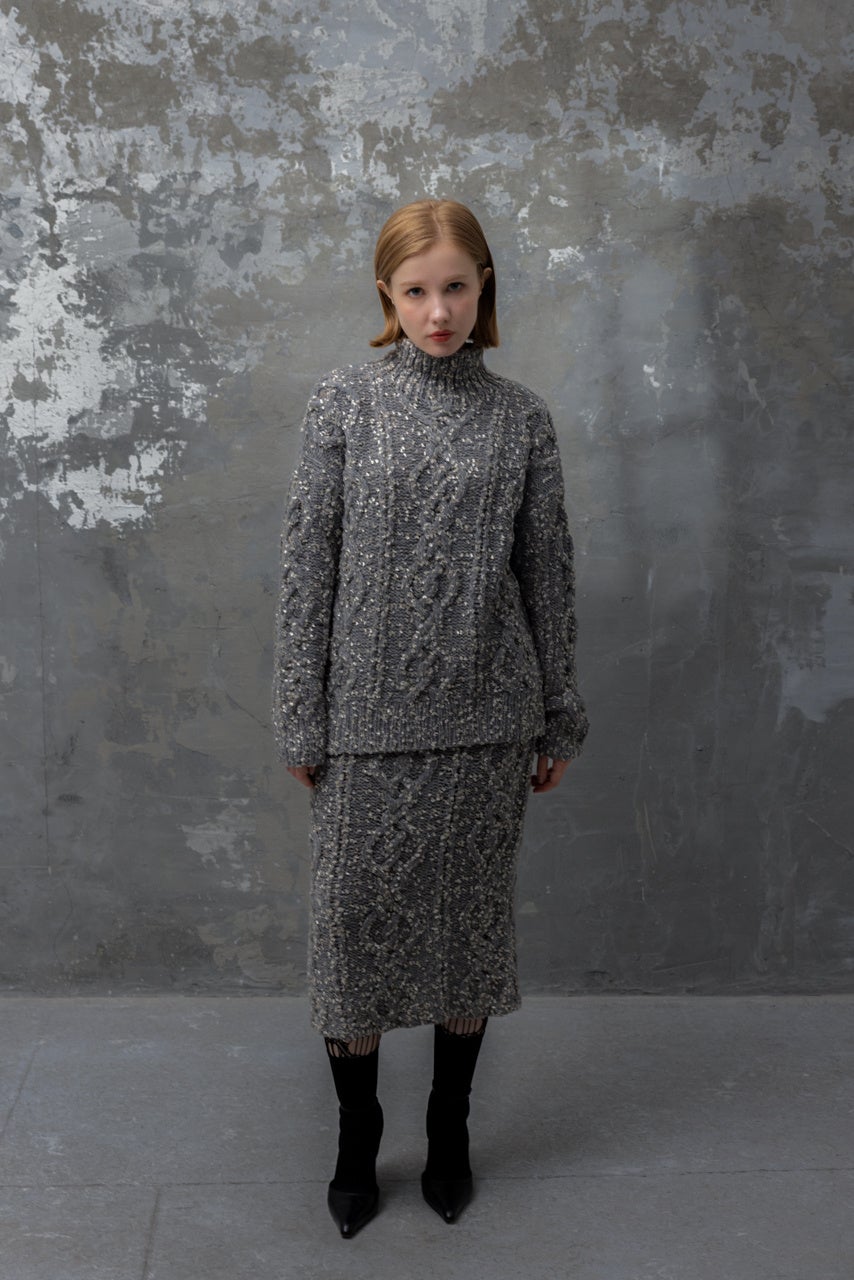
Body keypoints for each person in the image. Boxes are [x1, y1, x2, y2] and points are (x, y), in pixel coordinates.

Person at [272, 198, 588, 1238]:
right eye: (415, 290)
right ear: (386, 294)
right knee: (351, 944)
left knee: (466, 938)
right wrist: (300, 712)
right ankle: (356, 1135)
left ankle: (449, 1129)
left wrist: (558, 713)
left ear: (483, 286)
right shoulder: (343, 402)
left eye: (455, 286)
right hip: (364, 723)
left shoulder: (520, 417)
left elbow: (546, 573)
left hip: (486, 720)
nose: (437, 310)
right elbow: (308, 565)